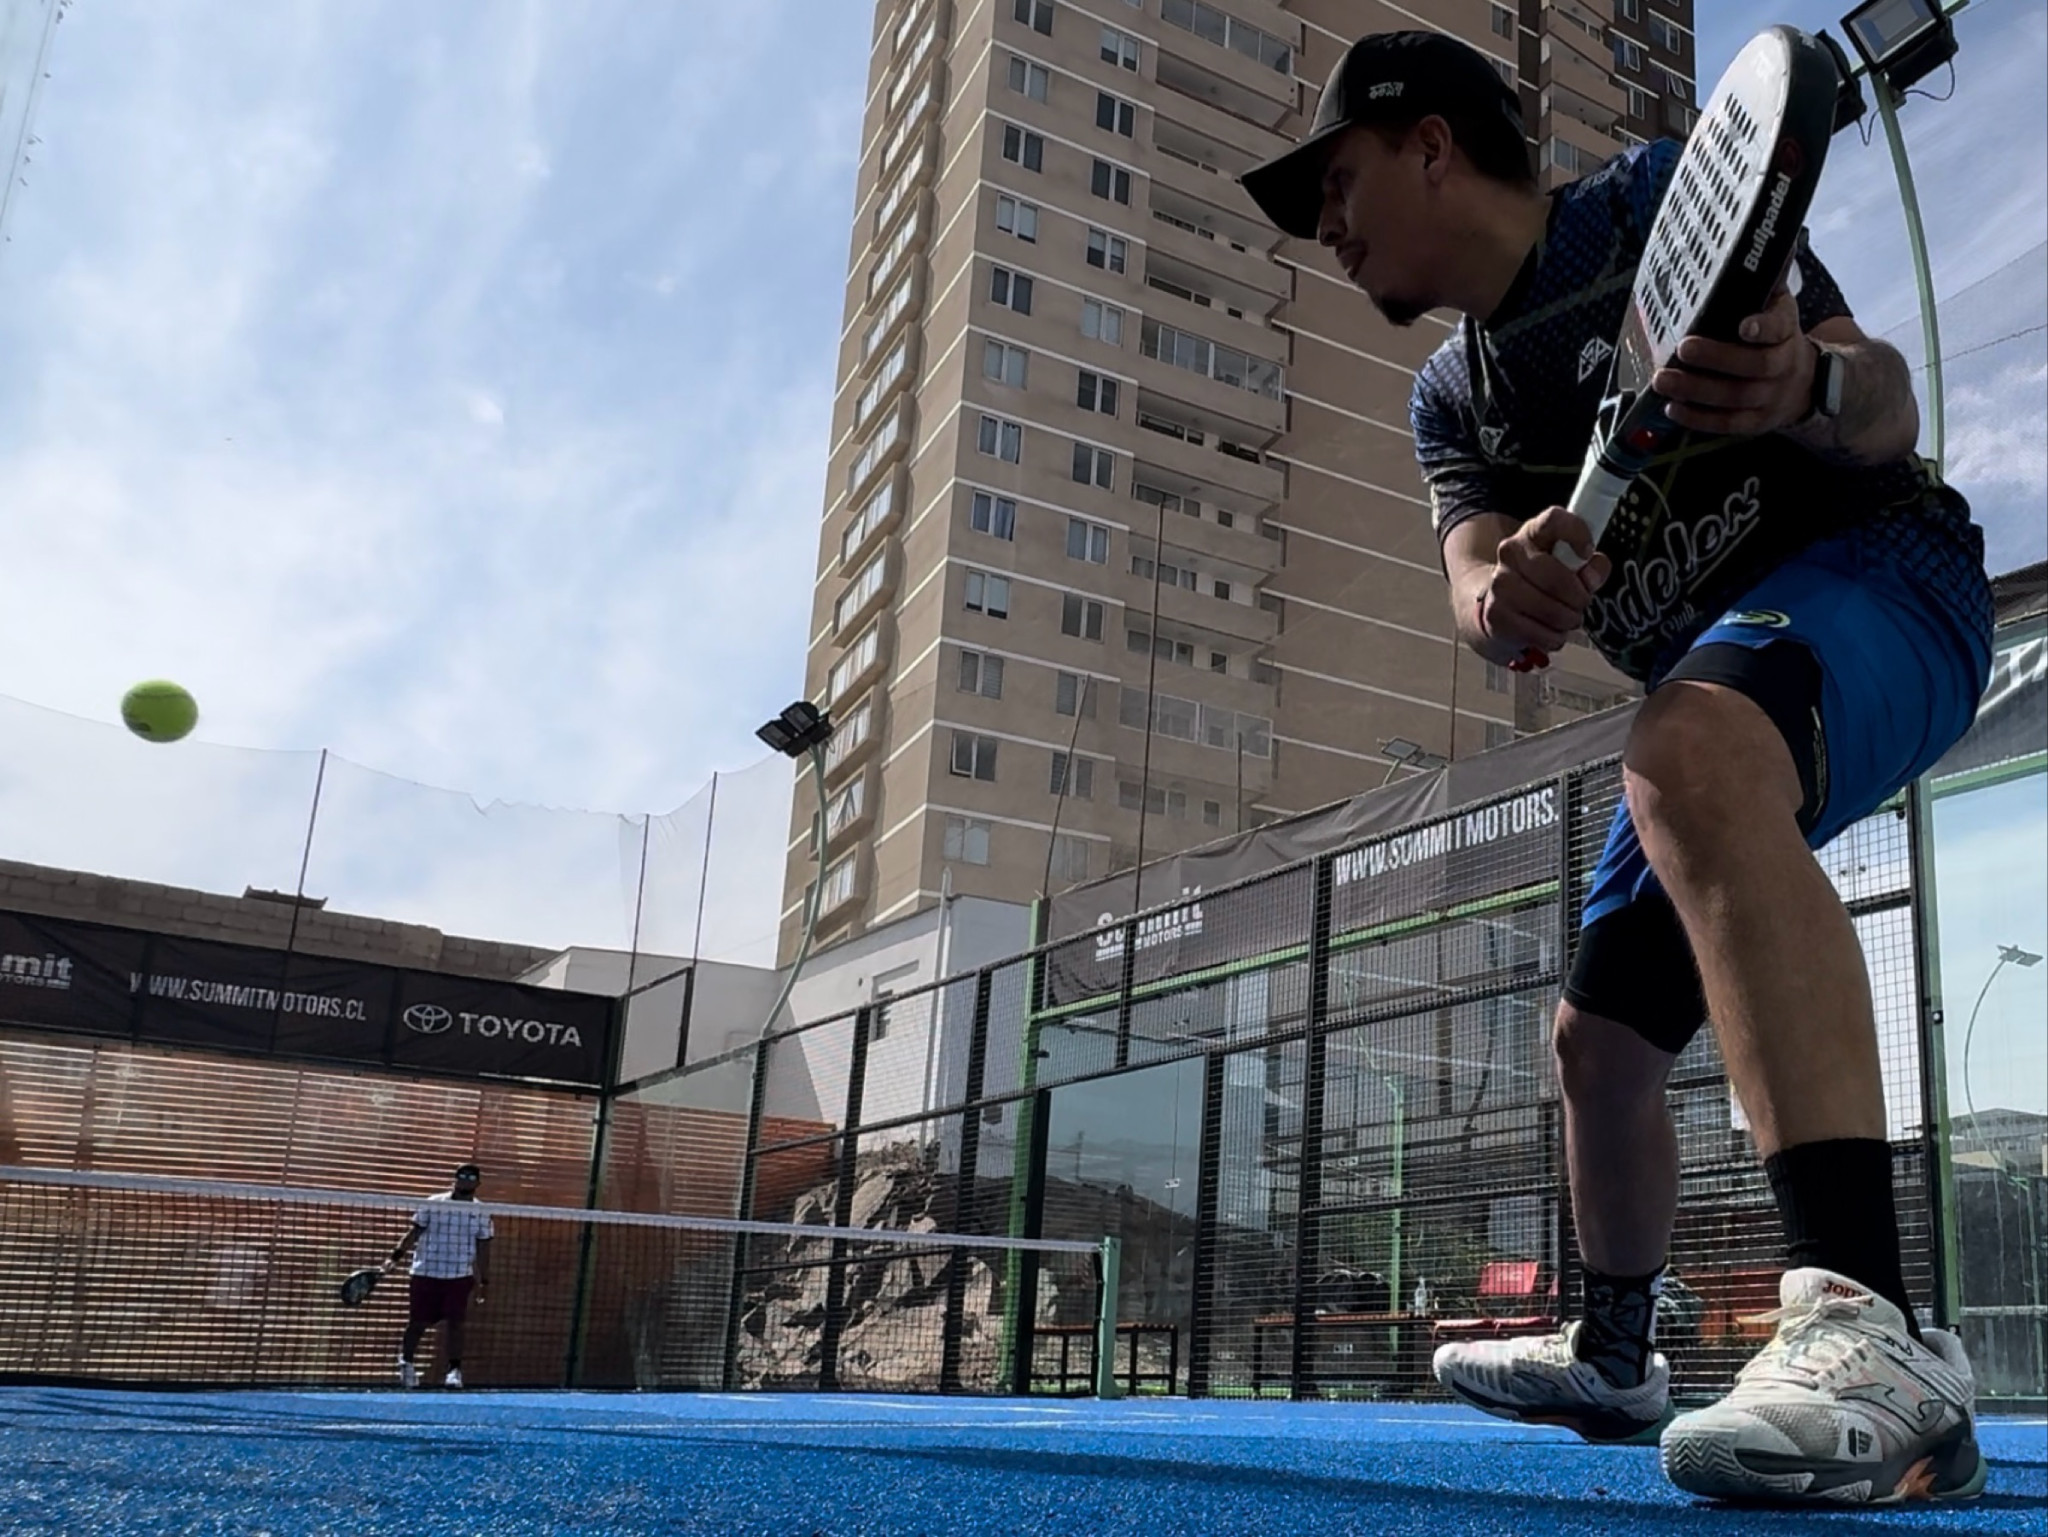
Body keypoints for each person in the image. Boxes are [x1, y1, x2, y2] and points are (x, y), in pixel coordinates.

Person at [1240, 30, 1991, 1505]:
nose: (1323, 227)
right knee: (1595, 1041)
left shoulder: (1649, 200)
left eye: (1334, 182)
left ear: (1430, 144)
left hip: (1895, 581)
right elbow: (1473, 586)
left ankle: (1875, 1327)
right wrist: (1503, 597)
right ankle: (1617, 1350)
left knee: (1684, 745)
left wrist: (1807, 389)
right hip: (1717, 679)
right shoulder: (1450, 399)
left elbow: (1882, 397)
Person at [388, 1161, 493, 1389]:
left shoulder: (481, 1211)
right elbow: (414, 1232)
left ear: (478, 1183)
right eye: (462, 1175)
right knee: (418, 1322)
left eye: (471, 1177)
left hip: (459, 1275)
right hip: (426, 1272)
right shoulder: (434, 1203)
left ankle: (454, 1371)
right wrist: (394, 1258)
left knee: (456, 1323)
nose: (465, 1180)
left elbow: (484, 1246)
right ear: (454, 1178)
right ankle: (406, 1364)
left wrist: (484, 1280)